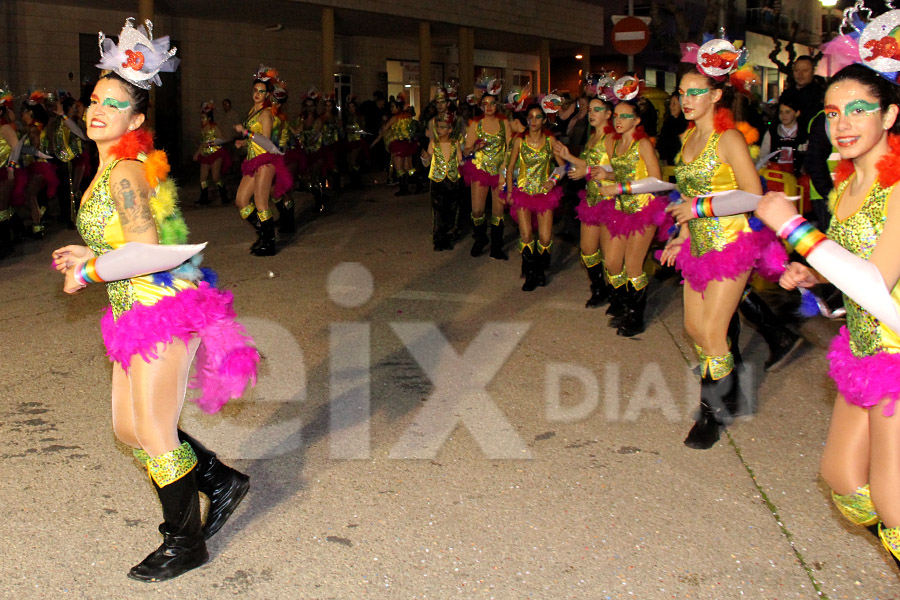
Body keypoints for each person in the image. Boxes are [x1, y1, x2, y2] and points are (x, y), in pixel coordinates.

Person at [51, 18, 256, 582]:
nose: (98, 110)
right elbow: (126, 237)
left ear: (135, 120)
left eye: (113, 106)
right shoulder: (108, 166)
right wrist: (85, 253)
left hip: (161, 311)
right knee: (128, 430)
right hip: (130, 311)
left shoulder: (125, 173)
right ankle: (217, 479)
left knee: (155, 430)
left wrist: (90, 269)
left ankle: (184, 541)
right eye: (95, 99)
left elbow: (145, 248)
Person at [756, 61, 900, 572]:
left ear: (890, 116)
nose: (843, 123)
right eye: (834, 112)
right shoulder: (842, 190)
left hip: (897, 356)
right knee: (841, 479)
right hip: (862, 349)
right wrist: (812, 274)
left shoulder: (899, 188)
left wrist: (794, 228)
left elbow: (874, 283)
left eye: (860, 110)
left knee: (892, 503)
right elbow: (849, 271)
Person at [661, 42, 787, 450]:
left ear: (716, 95)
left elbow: (754, 195)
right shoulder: (687, 141)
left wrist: (698, 208)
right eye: (682, 92)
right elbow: (684, 198)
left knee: (714, 332)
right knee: (693, 329)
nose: (687, 99)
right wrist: (680, 237)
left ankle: (714, 412)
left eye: (696, 91)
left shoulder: (727, 136)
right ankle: (729, 389)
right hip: (697, 246)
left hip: (731, 243)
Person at [595, 88, 668, 336]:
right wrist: (607, 175)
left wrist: (617, 186)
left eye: (625, 116)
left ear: (637, 120)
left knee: (634, 266)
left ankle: (636, 316)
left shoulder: (643, 144)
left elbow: (655, 180)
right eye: (616, 115)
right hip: (621, 207)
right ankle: (624, 303)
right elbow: (624, 173)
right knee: (613, 262)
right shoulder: (615, 144)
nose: (618, 120)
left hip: (643, 209)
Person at [553, 95, 615, 308]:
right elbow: (588, 163)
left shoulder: (611, 138)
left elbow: (620, 171)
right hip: (591, 199)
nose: (592, 114)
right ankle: (599, 289)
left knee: (611, 257)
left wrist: (586, 171)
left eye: (598, 110)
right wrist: (567, 156)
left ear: (608, 114)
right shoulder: (592, 137)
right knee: (588, 251)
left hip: (609, 201)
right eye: (590, 110)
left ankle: (616, 295)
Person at [506, 102, 565, 291]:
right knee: (526, 234)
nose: (533, 120)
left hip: (544, 194)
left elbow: (563, 166)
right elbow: (510, 167)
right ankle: (531, 273)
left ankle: (540, 267)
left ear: (544, 120)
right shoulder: (519, 141)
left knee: (545, 238)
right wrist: (508, 190)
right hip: (523, 192)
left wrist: (552, 181)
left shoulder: (550, 141)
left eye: (538, 116)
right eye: (530, 117)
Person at [234, 66, 292, 256]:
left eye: (261, 91)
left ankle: (269, 242)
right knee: (241, 200)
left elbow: (265, 141)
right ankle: (262, 232)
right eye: (255, 90)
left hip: (265, 162)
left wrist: (246, 132)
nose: (257, 94)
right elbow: (254, 138)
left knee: (261, 203)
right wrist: (243, 142)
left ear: (267, 94)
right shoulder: (253, 111)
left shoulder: (266, 114)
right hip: (253, 160)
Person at [461, 86, 511, 259]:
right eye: (485, 104)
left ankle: (496, 246)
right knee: (477, 210)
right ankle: (480, 238)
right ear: (481, 106)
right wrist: (475, 147)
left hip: (500, 171)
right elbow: (466, 151)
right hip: (480, 169)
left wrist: (507, 169)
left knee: (498, 211)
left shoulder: (504, 123)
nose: (489, 106)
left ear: (497, 105)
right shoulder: (475, 123)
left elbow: (511, 148)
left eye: (492, 103)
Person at [422, 113, 462, 250]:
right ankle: (438, 239)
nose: (439, 130)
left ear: (450, 129)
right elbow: (427, 163)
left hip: (452, 180)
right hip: (437, 180)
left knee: (452, 210)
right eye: (438, 127)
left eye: (443, 127)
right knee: (438, 210)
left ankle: (449, 237)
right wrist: (425, 158)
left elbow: (460, 160)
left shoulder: (455, 143)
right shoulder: (434, 143)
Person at [192, 101, 231, 205]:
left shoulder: (214, 127)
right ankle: (204, 197)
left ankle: (224, 195)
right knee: (203, 177)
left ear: (209, 118)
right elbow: (202, 143)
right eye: (201, 118)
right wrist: (197, 153)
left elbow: (223, 138)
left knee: (215, 176)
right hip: (205, 154)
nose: (201, 120)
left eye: (203, 118)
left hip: (216, 153)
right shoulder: (203, 129)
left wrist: (214, 142)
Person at [759, 97, 807, 179]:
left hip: (797, 178)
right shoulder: (772, 132)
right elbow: (763, 155)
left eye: (787, 112)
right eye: (781, 112)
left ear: (797, 113)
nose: (783, 115)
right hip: (775, 177)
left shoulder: (804, 134)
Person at [656, 92, 688, 165]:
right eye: (670, 104)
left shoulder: (686, 125)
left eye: (674, 104)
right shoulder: (668, 123)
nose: (671, 106)